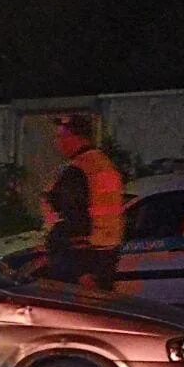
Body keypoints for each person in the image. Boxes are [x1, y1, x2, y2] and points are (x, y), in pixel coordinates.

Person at [43, 114, 124, 290]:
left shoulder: (78, 170)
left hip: (80, 257)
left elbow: (74, 217)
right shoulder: (104, 164)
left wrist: (80, 271)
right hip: (107, 252)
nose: (57, 143)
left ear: (74, 138)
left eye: (61, 137)